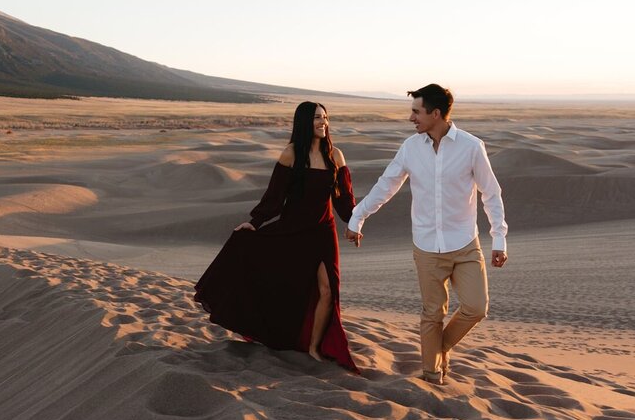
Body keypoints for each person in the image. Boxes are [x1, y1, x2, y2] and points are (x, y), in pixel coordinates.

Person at [345, 84, 508, 385]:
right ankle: (432, 375)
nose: (411, 118)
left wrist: (499, 238)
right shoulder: (410, 148)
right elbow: (386, 185)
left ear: (436, 114)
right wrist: (358, 216)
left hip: (465, 243)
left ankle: (439, 347)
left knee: (476, 307)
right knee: (432, 314)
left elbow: (491, 193)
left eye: (416, 112)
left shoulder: (471, 146)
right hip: (426, 246)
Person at [194, 101, 359, 372]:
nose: (323, 122)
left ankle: (314, 348)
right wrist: (254, 223)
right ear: (304, 122)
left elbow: (344, 201)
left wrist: (355, 222)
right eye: (317, 118)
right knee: (285, 286)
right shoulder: (291, 154)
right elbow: (274, 197)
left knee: (328, 290)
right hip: (292, 231)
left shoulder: (335, 156)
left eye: (325, 117)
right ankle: (278, 334)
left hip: (323, 231)